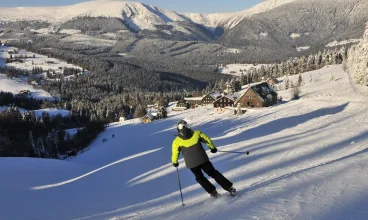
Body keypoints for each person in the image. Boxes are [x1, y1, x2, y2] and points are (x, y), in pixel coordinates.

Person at [171, 119, 236, 197]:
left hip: (192, 164)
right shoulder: (197, 133)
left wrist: (175, 162)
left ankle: (213, 192)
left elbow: (175, 153)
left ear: (178, 129)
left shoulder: (176, 141)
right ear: (187, 126)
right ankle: (229, 188)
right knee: (213, 173)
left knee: (200, 177)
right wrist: (212, 148)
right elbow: (207, 139)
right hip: (203, 159)